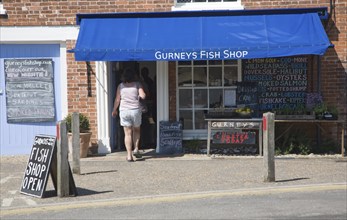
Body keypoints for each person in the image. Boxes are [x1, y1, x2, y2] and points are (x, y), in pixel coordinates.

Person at [112, 68, 146, 162]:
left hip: (124, 110)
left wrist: (114, 110)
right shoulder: (137, 85)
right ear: (134, 76)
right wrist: (140, 95)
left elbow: (117, 99)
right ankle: (136, 148)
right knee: (136, 130)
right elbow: (143, 95)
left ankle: (129, 156)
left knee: (127, 133)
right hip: (135, 110)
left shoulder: (120, 86)